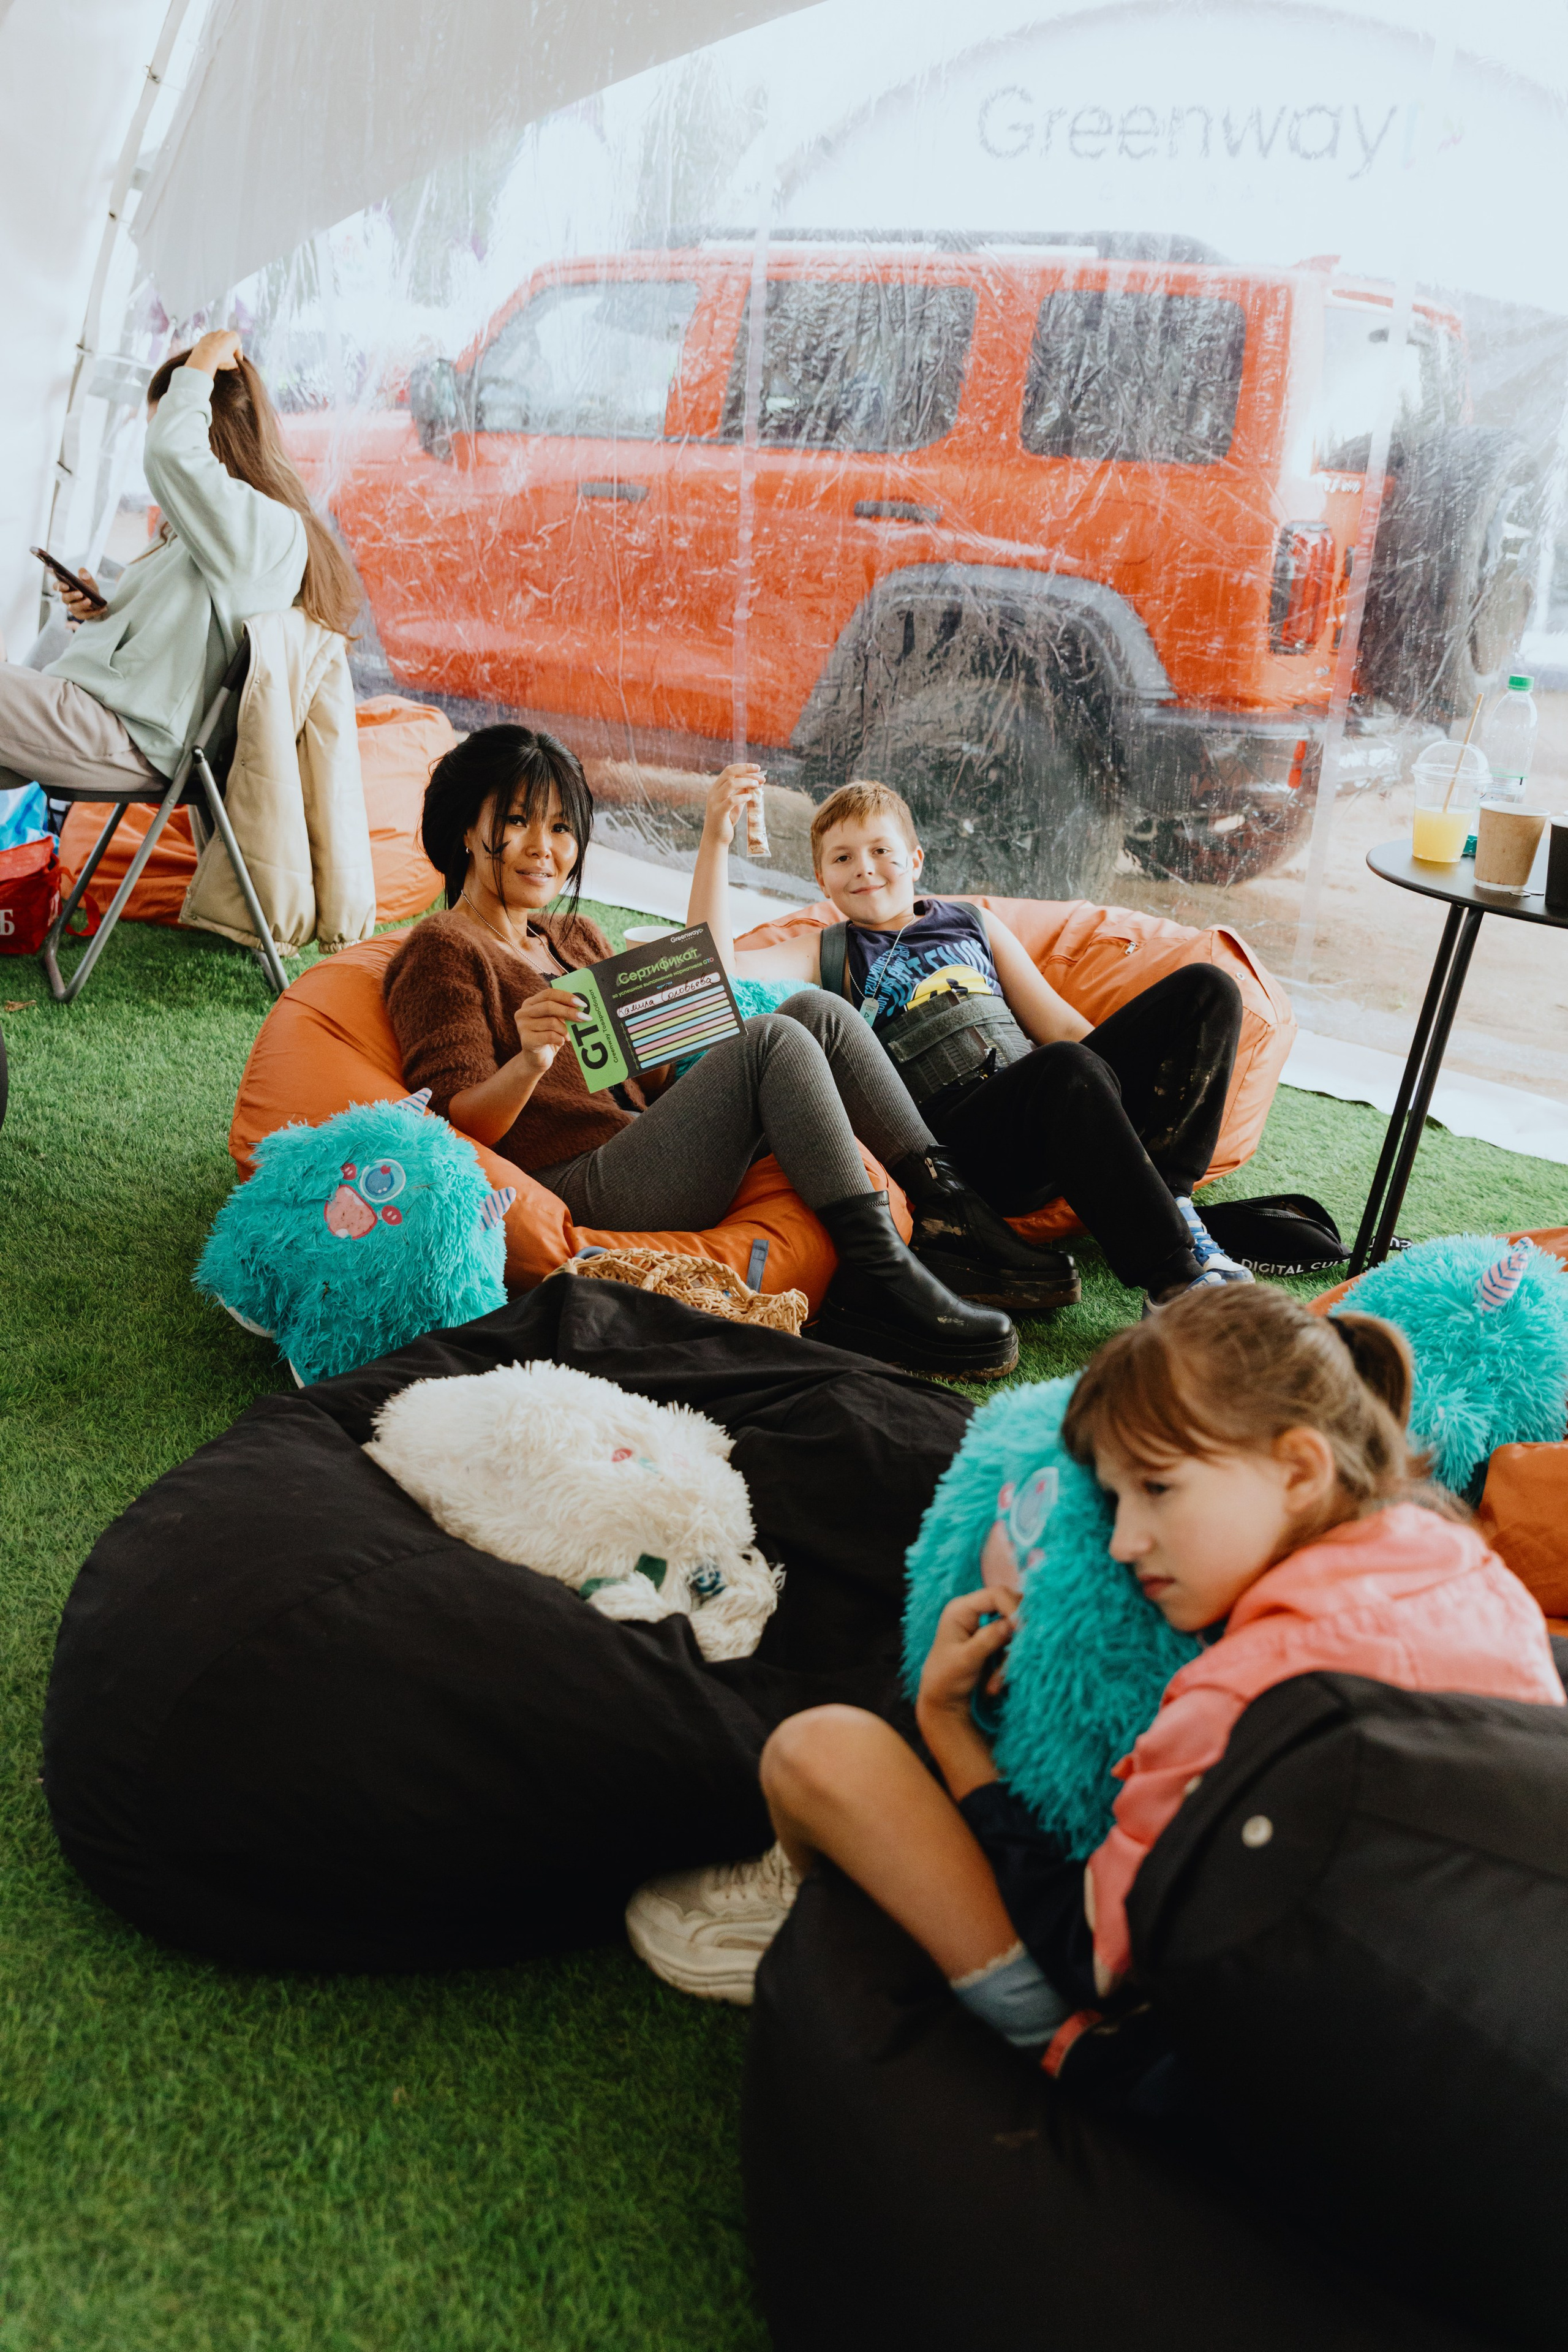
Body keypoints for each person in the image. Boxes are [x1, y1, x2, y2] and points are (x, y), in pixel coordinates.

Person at [627, 1284, 1562, 2022]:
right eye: (1115, 1501)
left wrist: (949, 1728)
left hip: (1168, 2055)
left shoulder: (1243, 1690)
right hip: (1477, 2020)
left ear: (1300, 1467)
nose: (1122, 1542)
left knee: (821, 1750)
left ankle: (808, 1893)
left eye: (1159, 1489)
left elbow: (1092, 1965)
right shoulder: (1471, 1573)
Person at [382, 724, 1019, 1378]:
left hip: (640, 1143)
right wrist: (529, 1063)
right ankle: (880, 1278)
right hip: (577, 1181)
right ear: (467, 828)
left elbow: (647, 1083)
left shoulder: (573, 936)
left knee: (816, 1013)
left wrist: (673, 1021)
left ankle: (951, 1214)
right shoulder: (444, 949)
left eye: (562, 827)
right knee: (772, 1040)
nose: (545, 848)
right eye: (517, 821)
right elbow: (454, 1123)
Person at [685, 770, 1251, 1313]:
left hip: (1056, 1103)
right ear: (822, 881)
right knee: (1064, 1066)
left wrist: (1122, 1083)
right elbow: (714, 970)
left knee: (1207, 988)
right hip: (964, 1148)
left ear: (916, 859)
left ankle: (1171, 1196)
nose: (865, 868)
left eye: (881, 850)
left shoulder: (972, 922)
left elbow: (1062, 1029)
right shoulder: (827, 949)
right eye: (843, 858)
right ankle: (1175, 1277)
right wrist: (716, 839)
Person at [0, 329, 361, 798]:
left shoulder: (270, 531)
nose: (152, 447)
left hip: (129, 735)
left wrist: (207, 354)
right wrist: (103, 610)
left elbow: (169, 452)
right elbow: (183, 637)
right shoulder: (203, 527)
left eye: (167, 421)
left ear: (207, 431)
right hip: (100, 714)